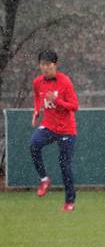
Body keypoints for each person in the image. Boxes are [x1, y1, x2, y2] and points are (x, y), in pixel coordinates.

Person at [29, 50, 79, 211]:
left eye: (48, 65)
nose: (44, 68)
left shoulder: (65, 82)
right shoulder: (37, 82)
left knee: (65, 165)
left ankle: (69, 201)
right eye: (42, 65)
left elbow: (74, 106)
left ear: (55, 65)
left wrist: (57, 100)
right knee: (34, 144)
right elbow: (37, 97)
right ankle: (44, 179)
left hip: (66, 129)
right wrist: (36, 111)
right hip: (49, 126)